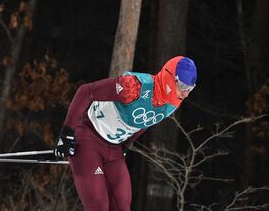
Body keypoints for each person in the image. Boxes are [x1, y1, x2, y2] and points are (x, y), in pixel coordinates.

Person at [54, 56, 197, 211]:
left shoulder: (170, 105)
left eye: (190, 88)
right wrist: (67, 133)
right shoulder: (133, 87)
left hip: (113, 148)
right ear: (170, 78)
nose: (186, 94)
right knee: (99, 206)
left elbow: (146, 121)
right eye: (182, 86)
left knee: (122, 205)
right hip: (89, 136)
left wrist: (126, 144)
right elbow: (86, 91)